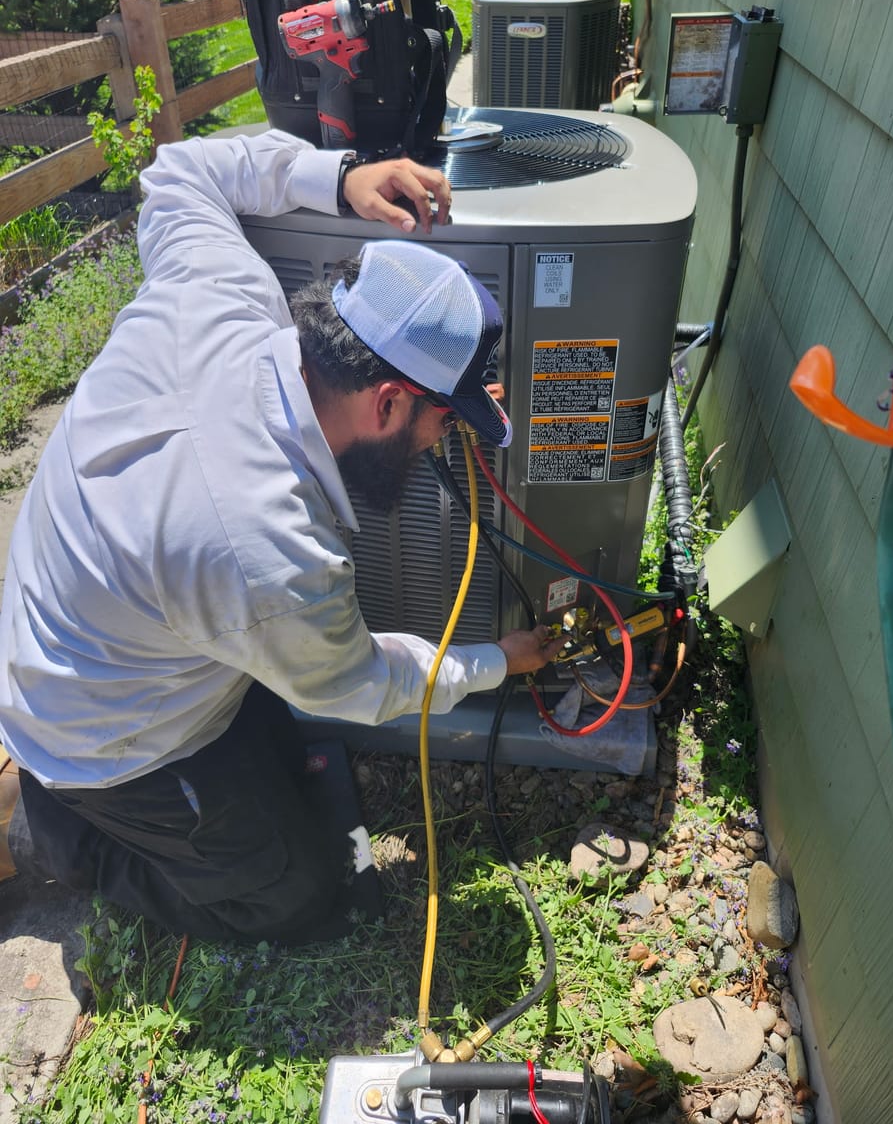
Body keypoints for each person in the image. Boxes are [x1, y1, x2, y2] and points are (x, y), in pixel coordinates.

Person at [0, 129, 562, 943]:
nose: (445, 440)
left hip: (84, 622)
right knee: (296, 898)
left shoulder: (222, 294)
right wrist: (497, 661)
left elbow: (180, 169)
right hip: (104, 733)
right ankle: (42, 829)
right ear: (388, 403)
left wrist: (340, 177)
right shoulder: (269, 552)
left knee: (283, 753)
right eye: (446, 420)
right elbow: (363, 683)